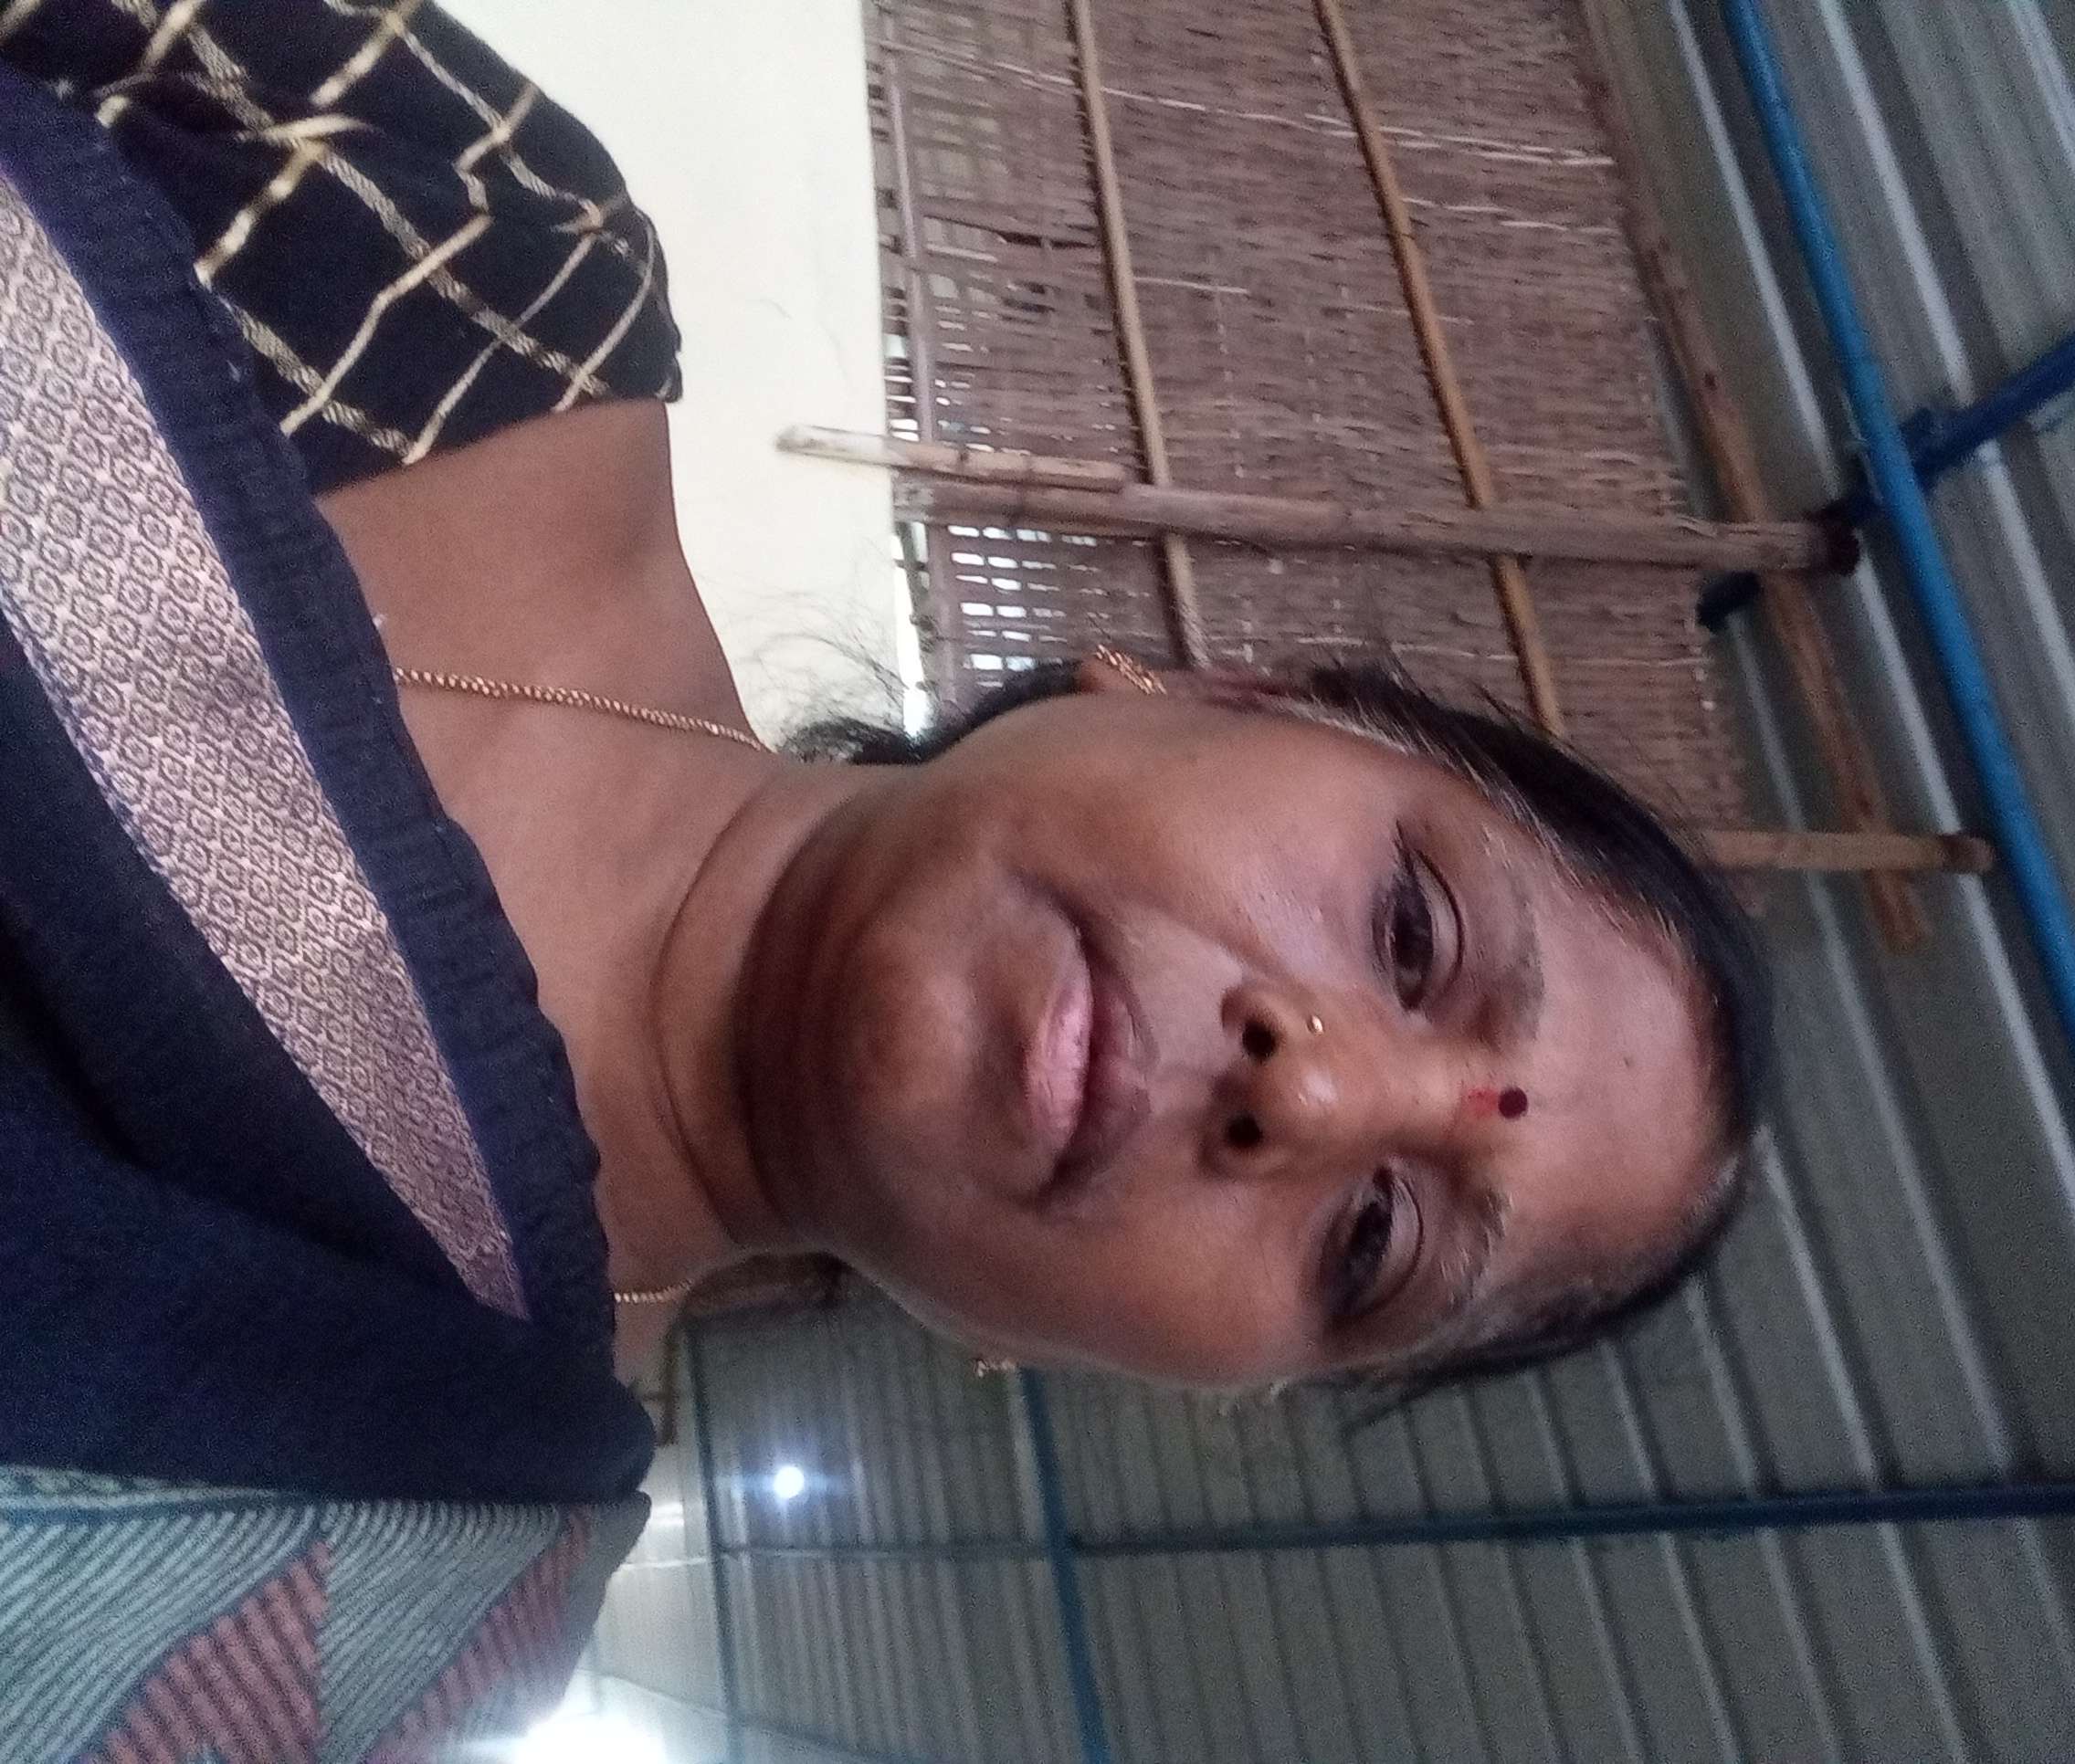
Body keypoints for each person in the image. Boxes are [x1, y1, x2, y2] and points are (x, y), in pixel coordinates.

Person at [0, 3, 1764, 1754]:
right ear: (1221, 687)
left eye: (1375, 1240)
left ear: (1136, 1373)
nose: (1303, 1094)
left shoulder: (384, 1615)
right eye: (1412, 930)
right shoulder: (474, 254)